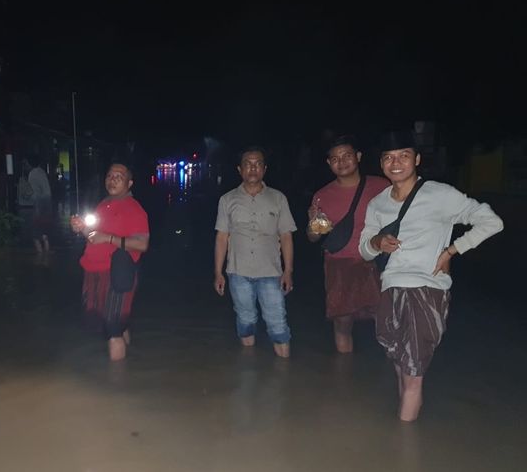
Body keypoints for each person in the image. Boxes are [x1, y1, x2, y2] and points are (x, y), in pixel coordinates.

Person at [359, 131, 503, 421]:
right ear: (381, 163)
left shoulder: (440, 194)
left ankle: (402, 444)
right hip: (390, 288)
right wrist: (377, 242)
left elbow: (491, 221)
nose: (395, 162)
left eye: (404, 155)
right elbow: (364, 251)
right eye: (388, 157)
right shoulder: (377, 204)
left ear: (417, 159)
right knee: (399, 363)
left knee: (414, 373)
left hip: (426, 289)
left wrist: (452, 250)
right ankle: (406, 434)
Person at [307, 135, 389, 353]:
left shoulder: (381, 186)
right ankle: (343, 376)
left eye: (347, 156)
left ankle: (394, 373)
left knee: (385, 318)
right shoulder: (322, 195)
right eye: (335, 158)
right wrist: (313, 225)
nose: (341, 162)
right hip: (339, 264)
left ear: (358, 157)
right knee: (342, 322)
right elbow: (315, 237)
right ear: (328, 163)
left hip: (376, 262)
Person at [214, 146, 297, 358]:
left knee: (277, 321)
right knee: (245, 319)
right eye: (248, 164)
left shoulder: (278, 198)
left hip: (270, 271)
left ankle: (284, 370)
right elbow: (222, 237)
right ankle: (248, 367)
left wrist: (288, 271)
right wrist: (218, 272)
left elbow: (286, 235)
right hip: (238, 271)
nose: (253, 168)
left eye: (258, 163)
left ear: (264, 169)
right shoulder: (227, 200)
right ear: (240, 170)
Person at [70, 162, 149, 361]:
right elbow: (94, 235)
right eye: (110, 176)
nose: (113, 179)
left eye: (119, 177)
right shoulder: (103, 204)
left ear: (129, 183)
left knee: (112, 328)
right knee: (107, 322)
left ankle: (117, 381)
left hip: (117, 273)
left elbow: (142, 244)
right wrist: (82, 228)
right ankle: (128, 356)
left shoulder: (134, 209)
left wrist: (108, 238)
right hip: (93, 271)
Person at [26, 154, 52, 255]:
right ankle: (47, 251)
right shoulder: (41, 171)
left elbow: (35, 192)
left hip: (39, 205)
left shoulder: (32, 174)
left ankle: (40, 253)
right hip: (47, 204)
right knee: (44, 229)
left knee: (35, 232)